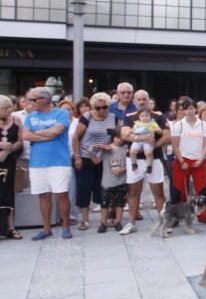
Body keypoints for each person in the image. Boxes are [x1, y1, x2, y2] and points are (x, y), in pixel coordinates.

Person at [21, 87, 75, 240]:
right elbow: (25, 134)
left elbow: (57, 131)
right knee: (43, 196)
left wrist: (36, 133)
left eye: (33, 99)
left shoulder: (61, 113)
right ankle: (46, 228)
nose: (30, 102)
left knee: (61, 195)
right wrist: (46, 132)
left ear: (45, 100)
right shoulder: (31, 117)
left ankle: (65, 226)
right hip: (37, 162)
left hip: (58, 161)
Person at [121, 90, 170, 235]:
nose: (142, 102)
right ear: (134, 101)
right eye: (139, 99)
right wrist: (142, 140)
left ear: (148, 100)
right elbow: (124, 134)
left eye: (144, 99)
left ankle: (163, 223)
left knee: (158, 193)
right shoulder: (129, 116)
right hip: (134, 159)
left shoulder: (158, 116)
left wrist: (151, 146)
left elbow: (167, 136)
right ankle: (131, 222)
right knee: (133, 192)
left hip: (153, 159)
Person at [72, 92, 117, 231]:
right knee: (84, 187)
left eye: (104, 107)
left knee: (104, 188)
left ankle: (104, 218)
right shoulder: (87, 117)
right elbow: (75, 137)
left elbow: (116, 137)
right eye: (98, 108)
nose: (102, 110)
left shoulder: (113, 118)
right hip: (86, 156)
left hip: (104, 157)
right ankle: (84, 219)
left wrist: (111, 148)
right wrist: (77, 156)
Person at [170, 96, 206, 206]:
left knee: (201, 188)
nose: (189, 111)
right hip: (182, 160)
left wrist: (201, 160)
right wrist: (182, 161)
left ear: (196, 109)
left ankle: (203, 215)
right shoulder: (178, 125)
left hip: (199, 160)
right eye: (186, 109)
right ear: (183, 110)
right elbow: (175, 145)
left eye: (192, 108)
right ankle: (177, 215)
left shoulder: (203, 124)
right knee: (178, 188)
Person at [0, 95, 24, 239]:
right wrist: (2, 146)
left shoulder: (17, 120)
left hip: (9, 161)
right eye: (4, 108)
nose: (8, 111)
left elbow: (20, 141)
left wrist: (9, 150)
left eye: (9, 107)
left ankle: (10, 227)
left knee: (8, 193)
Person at [100, 126, 128, 232]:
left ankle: (118, 221)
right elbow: (97, 160)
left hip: (121, 180)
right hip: (107, 181)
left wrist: (122, 170)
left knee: (120, 203)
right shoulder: (107, 148)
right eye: (116, 137)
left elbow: (130, 164)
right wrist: (91, 151)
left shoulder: (125, 149)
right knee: (104, 203)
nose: (118, 140)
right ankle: (103, 222)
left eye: (121, 138)